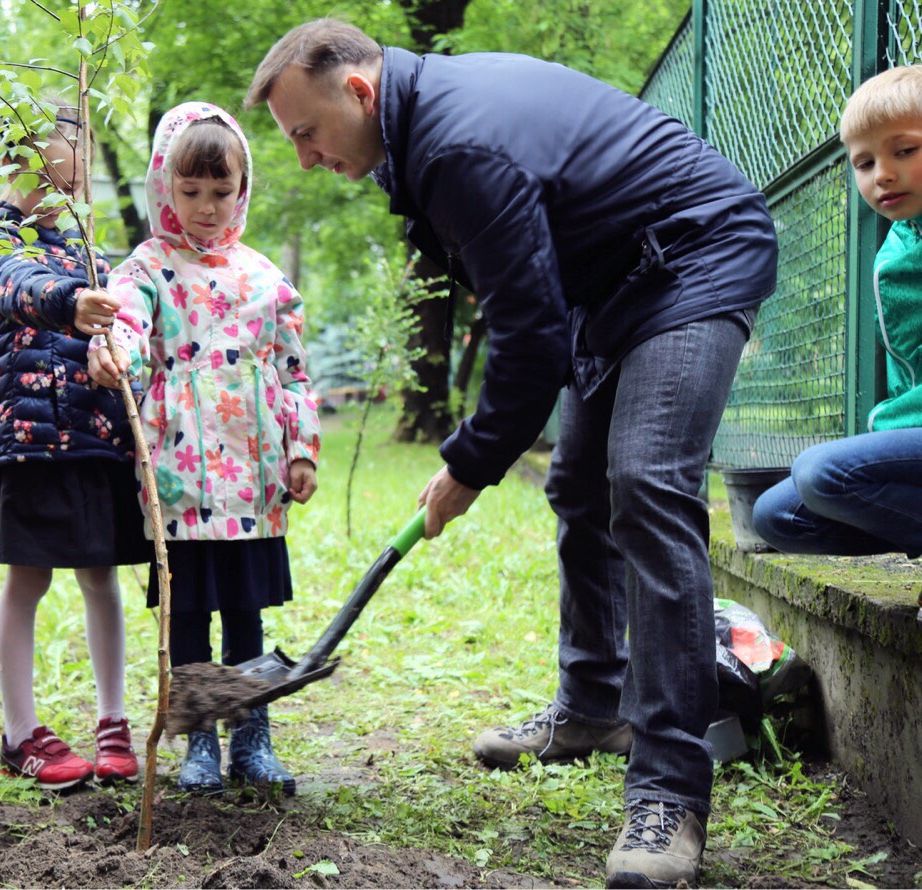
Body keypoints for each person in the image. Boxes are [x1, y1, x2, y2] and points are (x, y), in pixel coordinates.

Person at [246, 19, 778, 887]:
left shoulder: (457, 145)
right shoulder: (421, 135)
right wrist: (479, 450)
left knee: (644, 483)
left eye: (306, 134)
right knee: (577, 483)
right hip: (618, 286)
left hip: (696, 256)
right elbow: (529, 302)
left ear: (358, 91)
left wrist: (467, 464)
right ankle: (591, 708)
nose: (305, 158)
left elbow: (528, 344)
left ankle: (671, 791)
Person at [88, 102, 321, 796]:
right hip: (178, 476)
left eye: (222, 192)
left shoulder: (264, 278)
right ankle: (198, 746)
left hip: (251, 479)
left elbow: (293, 369)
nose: (207, 207)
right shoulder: (149, 268)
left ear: (242, 188)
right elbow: (126, 324)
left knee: (245, 612)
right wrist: (114, 354)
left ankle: (253, 737)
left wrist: (301, 449)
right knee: (186, 612)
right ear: (165, 186)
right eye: (190, 193)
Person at [0, 103, 150, 791]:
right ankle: (20, 734)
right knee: (29, 577)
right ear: (22, 158)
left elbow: (123, 326)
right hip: (33, 439)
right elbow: (10, 284)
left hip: (96, 433)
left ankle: (113, 720)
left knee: (101, 575)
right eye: (62, 165)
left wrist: (113, 351)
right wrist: (70, 302)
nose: (71, 182)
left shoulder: (89, 244)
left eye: (79, 170)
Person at [752, 66, 922, 572]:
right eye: (864, 162)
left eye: (905, 151)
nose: (882, 175)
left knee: (820, 472)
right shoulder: (899, 244)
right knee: (775, 514)